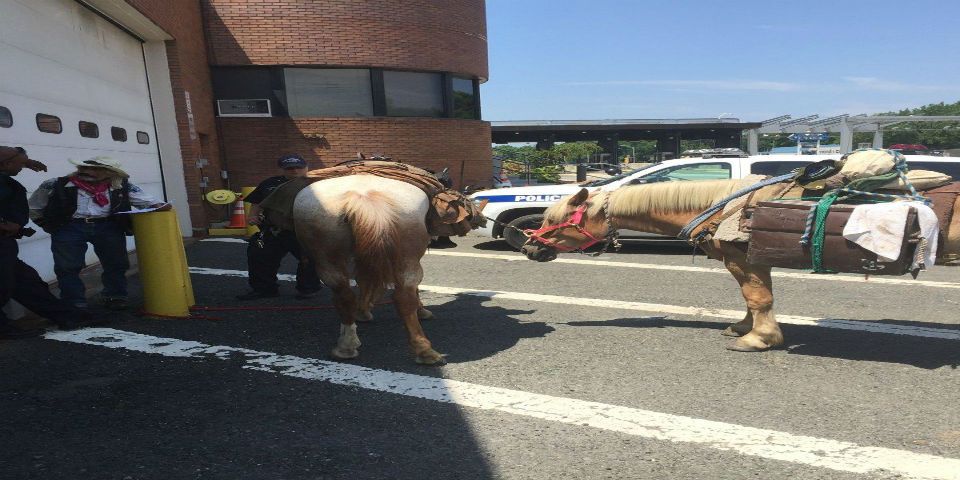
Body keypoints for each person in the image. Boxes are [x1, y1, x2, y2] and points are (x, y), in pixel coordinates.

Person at [29, 157, 165, 310]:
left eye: (95, 169)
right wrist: (50, 226)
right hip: (70, 227)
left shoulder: (120, 185)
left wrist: (160, 206)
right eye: (83, 167)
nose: (86, 171)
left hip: (108, 226)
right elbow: (34, 208)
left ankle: (115, 296)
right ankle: (74, 302)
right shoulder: (55, 184)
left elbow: (147, 201)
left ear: (109, 173)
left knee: (116, 263)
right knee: (67, 267)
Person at [0, 146, 98, 338]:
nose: (22, 169)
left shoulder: (5, 175)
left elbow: (6, 157)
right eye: (19, 165)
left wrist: (24, 161)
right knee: (6, 284)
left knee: (26, 282)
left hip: (6, 243)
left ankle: (67, 315)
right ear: (6, 164)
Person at [236, 154, 322, 300]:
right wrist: (253, 216)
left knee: (310, 259)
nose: (294, 171)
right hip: (273, 230)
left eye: (298, 167)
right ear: (282, 169)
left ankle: (308, 289)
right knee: (258, 256)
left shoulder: (316, 184)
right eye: (290, 168)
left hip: (304, 230)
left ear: (306, 167)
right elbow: (257, 201)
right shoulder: (270, 183)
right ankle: (264, 289)